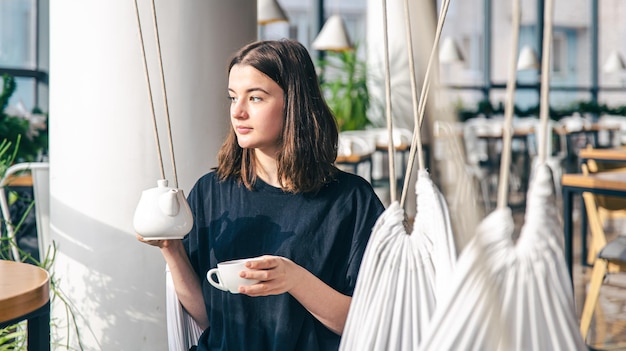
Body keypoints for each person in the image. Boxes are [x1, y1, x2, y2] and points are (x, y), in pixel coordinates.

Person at [137, 38, 384, 351]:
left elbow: (367, 324)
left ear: (294, 104)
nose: (237, 112)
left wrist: (294, 279)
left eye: (255, 98)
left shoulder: (351, 201)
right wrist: (171, 249)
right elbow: (207, 316)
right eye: (232, 97)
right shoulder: (211, 191)